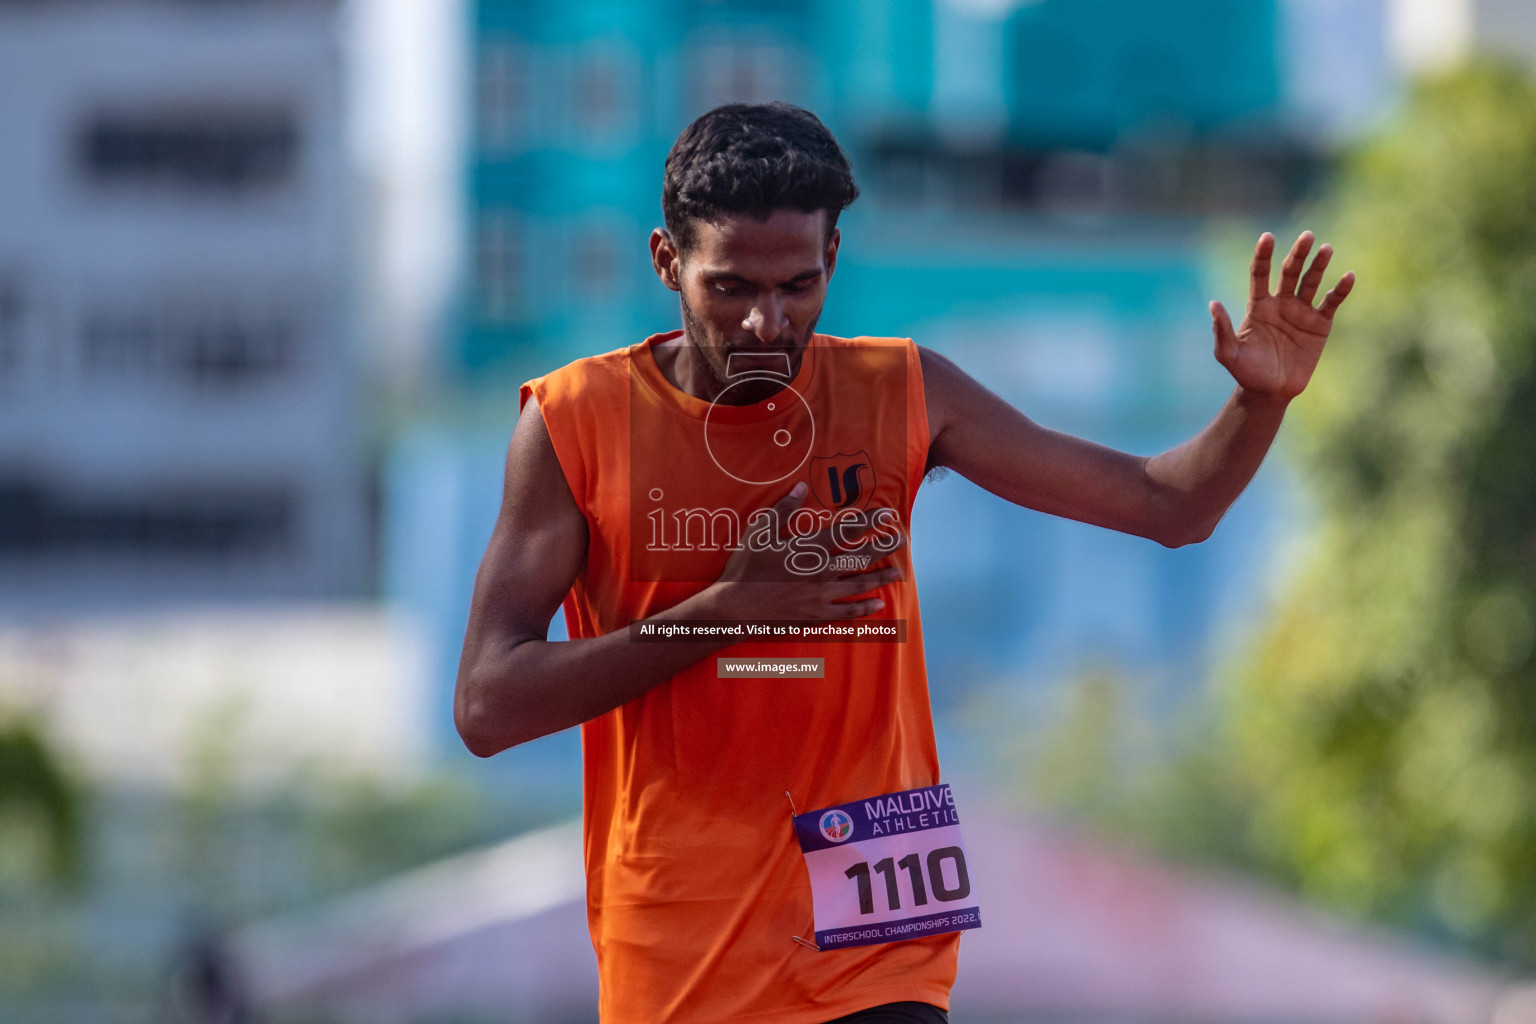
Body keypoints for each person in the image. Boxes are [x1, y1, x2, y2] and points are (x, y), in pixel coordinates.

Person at [453, 102, 1353, 1024]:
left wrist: (1258, 403)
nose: (767, 322)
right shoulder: (572, 423)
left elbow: (1173, 507)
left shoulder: (904, 390)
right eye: (731, 290)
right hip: (682, 940)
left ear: (834, 260)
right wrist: (732, 610)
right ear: (666, 262)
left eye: (799, 286)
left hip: (880, 927)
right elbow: (488, 705)